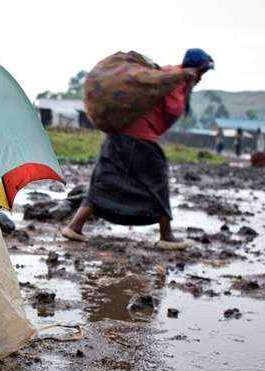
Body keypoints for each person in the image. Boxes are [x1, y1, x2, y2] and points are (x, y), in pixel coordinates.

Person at [62, 48, 214, 250]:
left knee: (104, 178)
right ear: (195, 68)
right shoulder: (175, 79)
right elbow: (171, 108)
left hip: (119, 132)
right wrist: (183, 86)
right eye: (203, 72)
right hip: (140, 136)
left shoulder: (168, 74)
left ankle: (75, 226)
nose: (202, 78)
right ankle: (166, 235)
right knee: (157, 179)